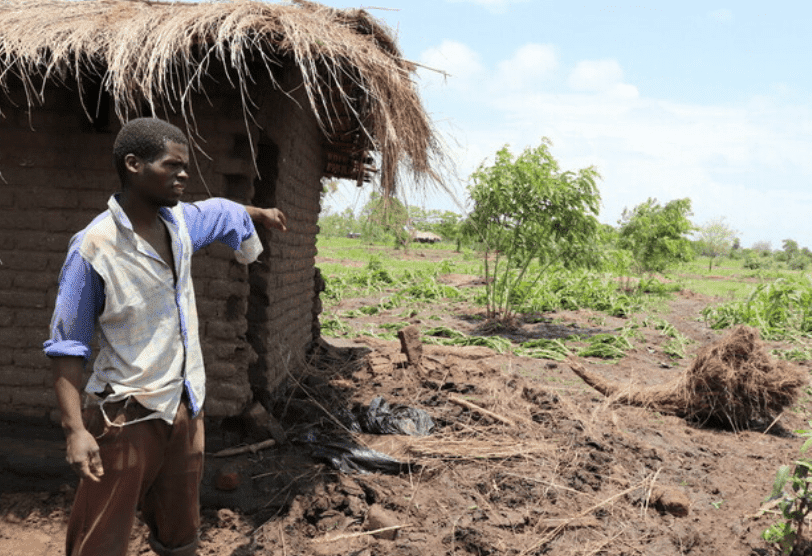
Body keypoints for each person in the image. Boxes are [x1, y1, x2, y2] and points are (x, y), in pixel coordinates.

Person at [43, 117, 287, 556]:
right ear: (134, 164)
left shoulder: (179, 226)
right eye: (172, 166)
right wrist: (75, 430)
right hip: (127, 418)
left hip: (184, 407)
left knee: (180, 534)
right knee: (101, 537)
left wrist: (260, 214)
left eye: (185, 167)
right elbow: (67, 348)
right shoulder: (94, 248)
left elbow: (219, 209)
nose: (183, 175)